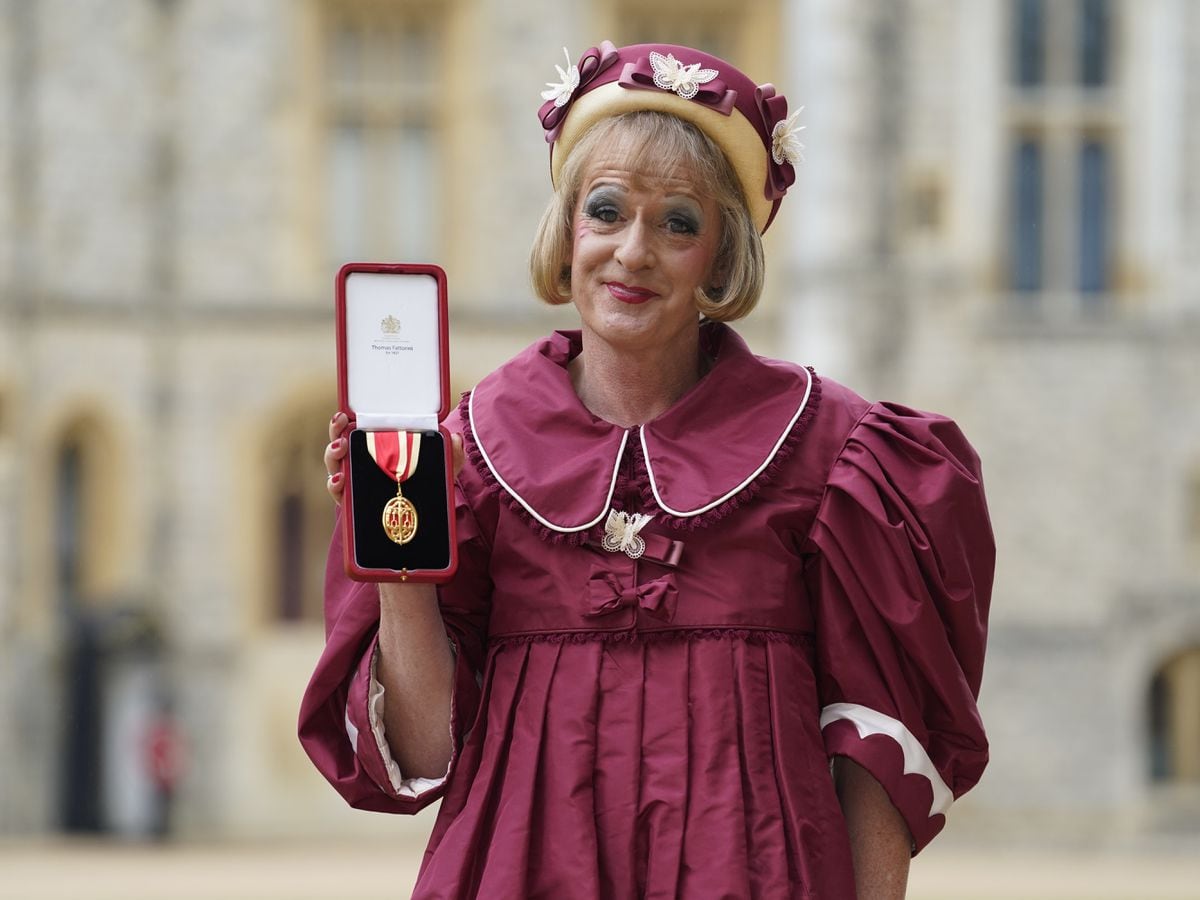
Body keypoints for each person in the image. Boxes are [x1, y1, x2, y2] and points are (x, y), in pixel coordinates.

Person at [299, 41, 994, 900]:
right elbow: (427, 754)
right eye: (606, 210)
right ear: (567, 232)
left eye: (678, 222)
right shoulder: (469, 453)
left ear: (721, 256)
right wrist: (399, 546)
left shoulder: (837, 454)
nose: (633, 250)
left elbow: (876, 755)